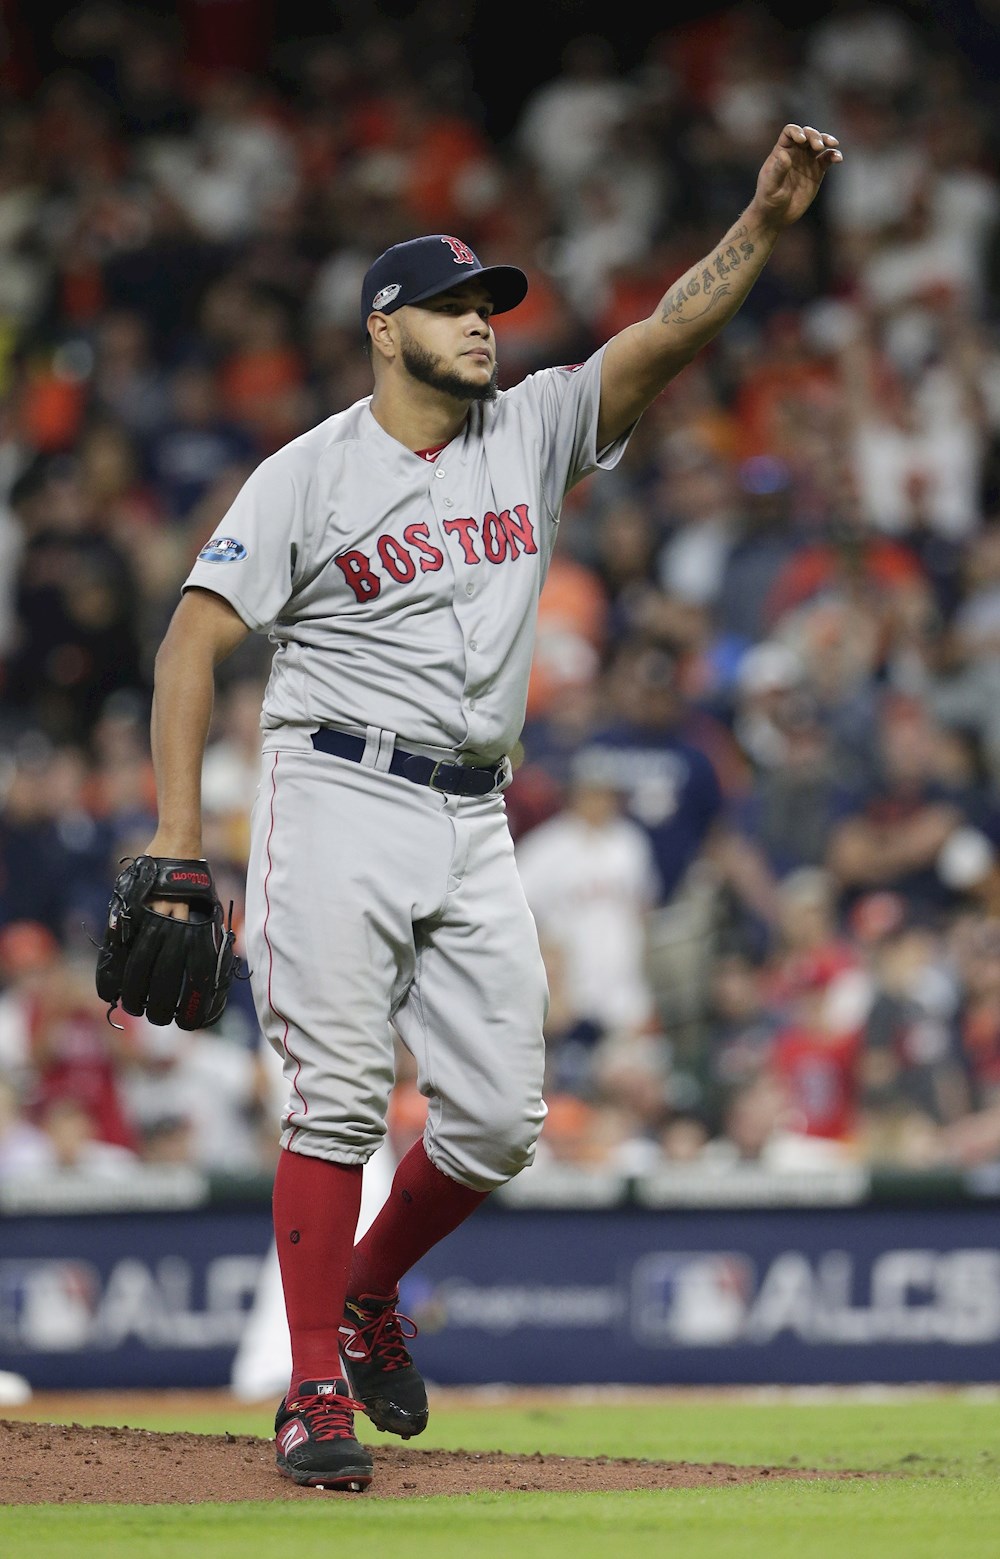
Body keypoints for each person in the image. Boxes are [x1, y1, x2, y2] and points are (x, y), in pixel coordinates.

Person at [134, 122, 842, 1492]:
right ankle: (311, 1393)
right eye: (455, 307)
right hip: (333, 788)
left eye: (491, 306)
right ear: (383, 326)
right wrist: (176, 833)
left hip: (471, 813)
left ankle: (367, 1287)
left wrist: (759, 225)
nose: (481, 326)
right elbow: (189, 644)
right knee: (337, 1098)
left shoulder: (529, 431)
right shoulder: (307, 475)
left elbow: (658, 342)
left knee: (501, 1124)